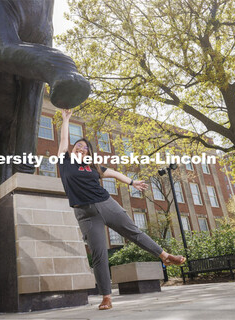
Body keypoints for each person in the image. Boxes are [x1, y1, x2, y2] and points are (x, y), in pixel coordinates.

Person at [58, 109, 186, 310]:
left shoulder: (94, 167)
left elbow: (115, 173)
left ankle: (165, 256)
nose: (81, 148)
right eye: (78, 146)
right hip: (85, 214)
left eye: (85, 148)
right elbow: (64, 141)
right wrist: (66, 119)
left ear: (89, 153)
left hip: (106, 204)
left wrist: (132, 182)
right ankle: (106, 297)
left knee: (133, 232)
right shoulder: (65, 162)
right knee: (99, 254)